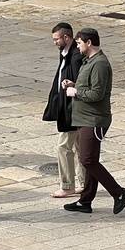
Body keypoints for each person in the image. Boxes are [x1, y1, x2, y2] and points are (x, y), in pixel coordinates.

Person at [63, 28, 125, 215]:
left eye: (79, 43)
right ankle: (85, 201)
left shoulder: (99, 64)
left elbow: (97, 94)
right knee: (90, 160)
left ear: (89, 42)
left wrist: (75, 92)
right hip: (85, 118)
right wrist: (73, 85)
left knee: (87, 159)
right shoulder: (89, 61)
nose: (77, 46)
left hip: (94, 120)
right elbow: (89, 86)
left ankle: (119, 192)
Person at [43, 21, 85, 198]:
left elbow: (80, 82)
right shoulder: (65, 52)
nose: (55, 43)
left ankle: (67, 185)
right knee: (78, 146)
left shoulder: (74, 56)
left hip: (72, 110)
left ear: (66, 37)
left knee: (63, 147)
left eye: (56, 39)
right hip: (70, 109)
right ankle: (84, 183)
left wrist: (72, 84)